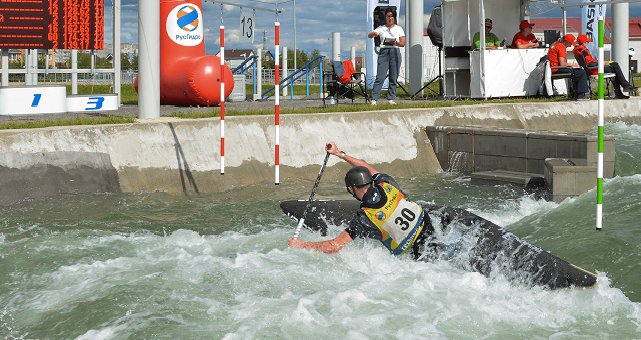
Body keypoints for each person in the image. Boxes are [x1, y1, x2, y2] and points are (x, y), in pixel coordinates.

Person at [288, 142, 432, 259]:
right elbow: (365, 166)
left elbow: (335, 246)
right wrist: (340, 154)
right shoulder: (387, 184)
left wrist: (302, 244)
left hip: (417, 253)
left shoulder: (364, 218)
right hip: (430, 227)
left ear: (352, 189)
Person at [573, 34, 635, 99]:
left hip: (593, 69)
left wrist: (603, 62)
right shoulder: (583, 51)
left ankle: (623, 88)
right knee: (615, 66)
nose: (588, 43)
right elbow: (590, 63)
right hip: (594, 70)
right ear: (583, 43)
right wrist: (602, 63)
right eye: (587, 42)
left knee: (614, 66)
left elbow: (591, 61)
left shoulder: (578, 50)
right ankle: (624, 87)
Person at [367, 8, 405, 106]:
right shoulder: (381, 28)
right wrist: (372, 34)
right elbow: (371, 34)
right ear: (385, 18)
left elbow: (402, 43)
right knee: (380, 76)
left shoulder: (398, 28)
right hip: (384, 52)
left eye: (392, 16)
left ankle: (391, 98)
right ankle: (374, 98)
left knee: (393, 76)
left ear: (394, 17)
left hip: (395, 51)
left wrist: (395, 42)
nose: (390, 18)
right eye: (388, 16)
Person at [548, 34, 590, 100]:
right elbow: (562, 64)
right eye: (570, 43)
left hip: (552, 68)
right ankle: (581, 95)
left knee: (576, 72)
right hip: (557, 69)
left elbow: (551, 47)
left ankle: (574, 93)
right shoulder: (561, 47)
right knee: (581, 72)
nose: (570, 45)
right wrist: (573, 65)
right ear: (566, 42)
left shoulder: (555, 45)